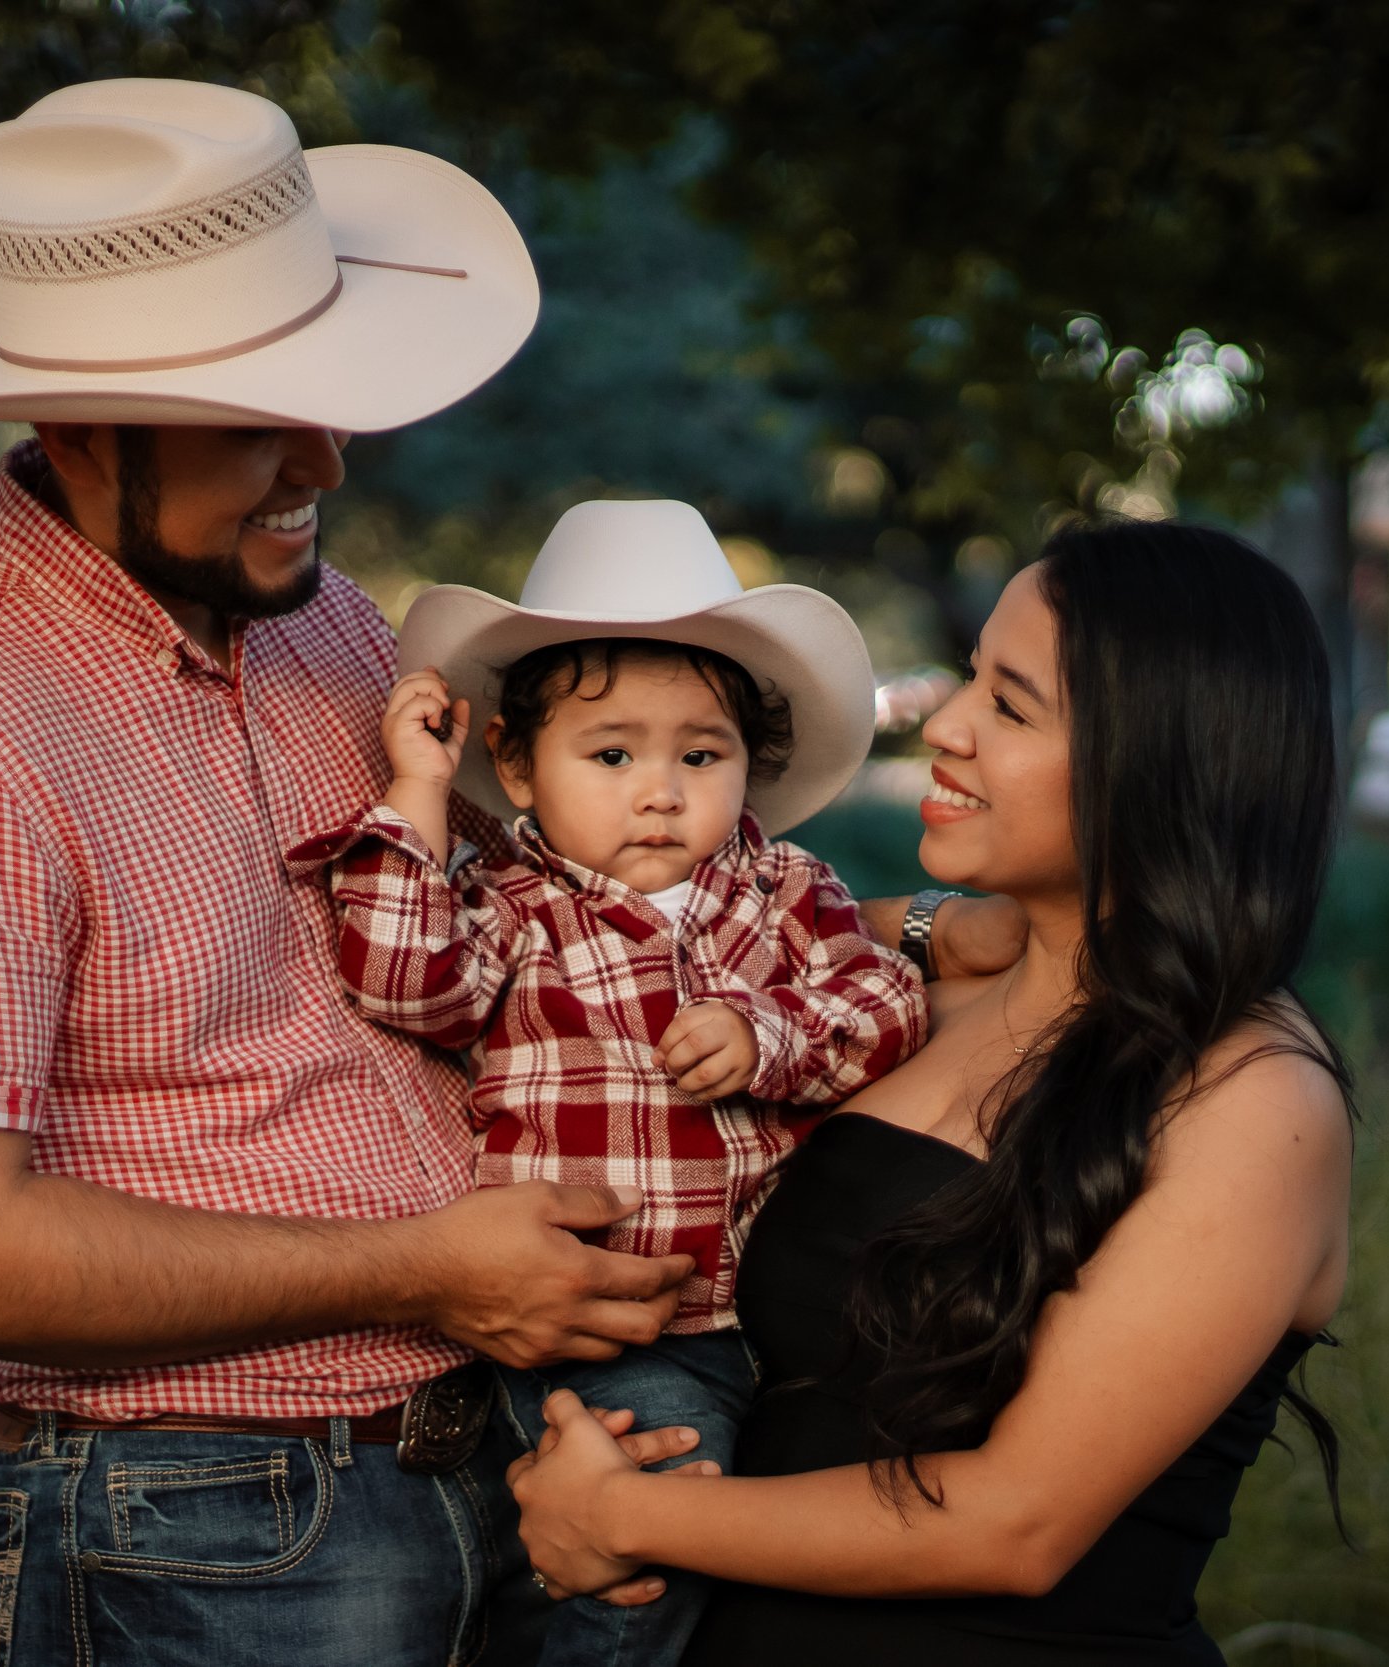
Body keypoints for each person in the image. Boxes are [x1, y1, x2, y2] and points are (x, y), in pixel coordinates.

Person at [0, 77, 1025, 1666]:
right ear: (75, 423)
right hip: (209, 1529)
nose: (325, 461)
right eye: (254, 418)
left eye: (326, 395)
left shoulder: (317, 623)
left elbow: (584, 902)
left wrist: (902, 928)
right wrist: (420, 1266)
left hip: (500, 1452)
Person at [505, 520, 1358, 1666]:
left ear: (1160, 756)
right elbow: (694, 929)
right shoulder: (916, 1003)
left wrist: (618, 1515)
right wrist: (930, 923)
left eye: (1009, 706)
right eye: (966, 681)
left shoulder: (1252, 1096)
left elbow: (1019, 1520)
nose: (944, 725)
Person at [289, 499, 931, 1667]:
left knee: (790, 1566)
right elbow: (400, 978)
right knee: (634, 1571)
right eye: (612, 753)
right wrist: (418, 793)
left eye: (700, 754)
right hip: (609, 1323)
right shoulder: (508, 904)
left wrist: (767, 1033)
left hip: (791, 1315)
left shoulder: (787, 890)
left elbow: (883, 1003)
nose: (660, 790)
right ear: (517, 765)